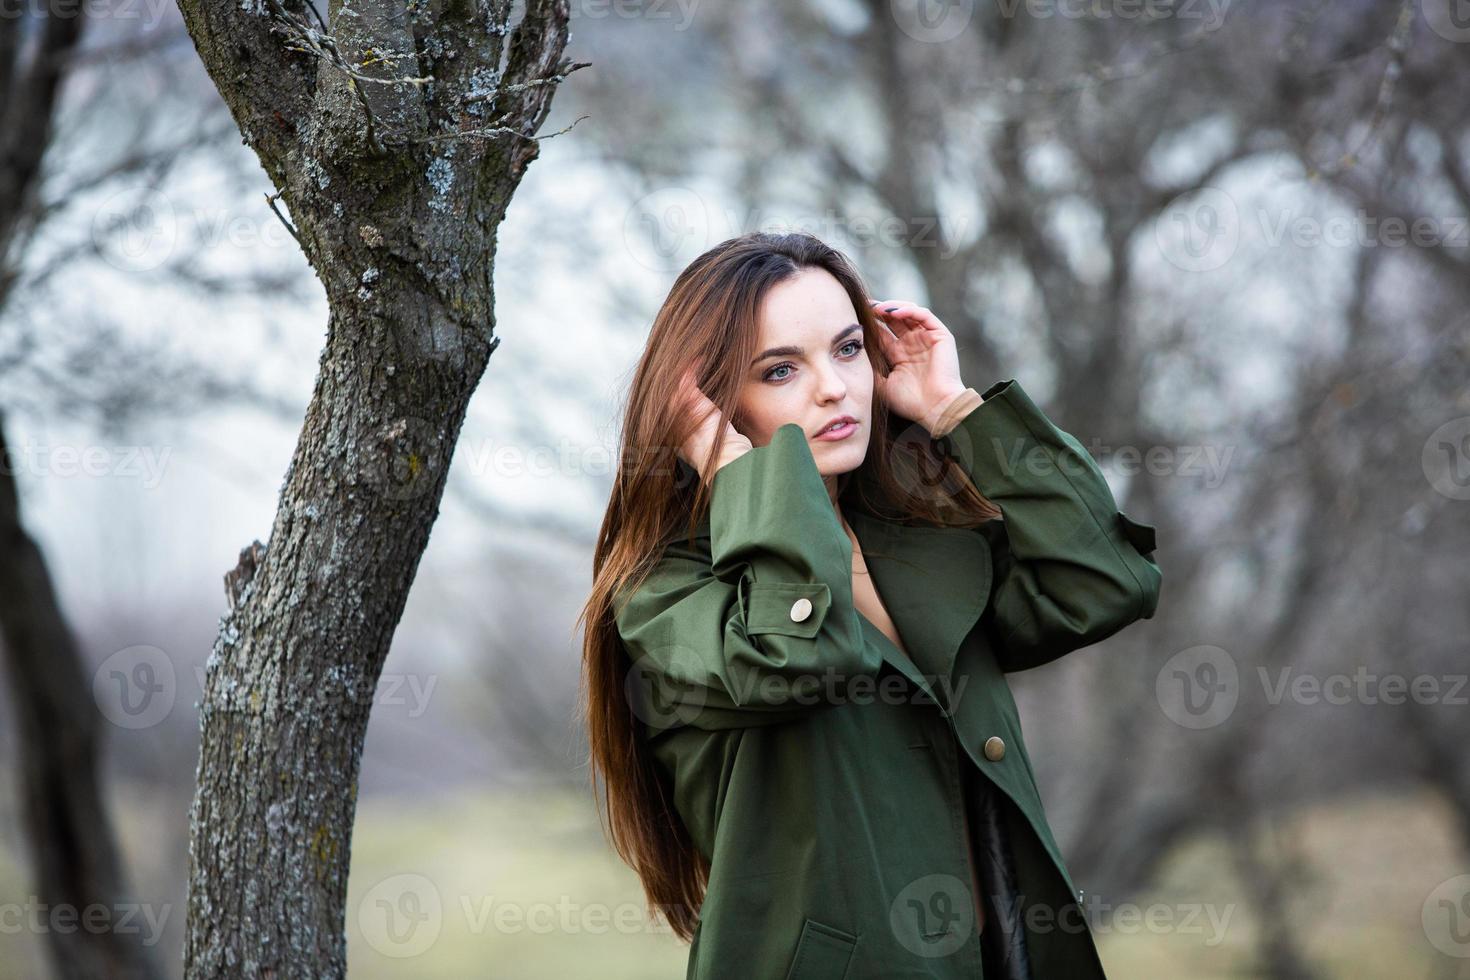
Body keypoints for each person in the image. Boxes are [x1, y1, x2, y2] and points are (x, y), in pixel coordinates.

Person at [578, 231, 1163, 978]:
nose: (834, 387)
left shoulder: (923, 542)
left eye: (849, 349)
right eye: (781, 369)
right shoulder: (665, 593)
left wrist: (954, 410)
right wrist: (737, 474)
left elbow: (1106, 580)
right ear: (708, 408)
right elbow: (794, 656)